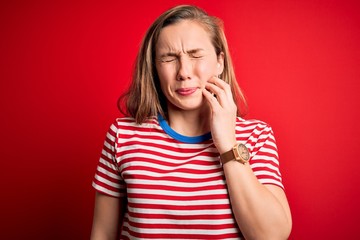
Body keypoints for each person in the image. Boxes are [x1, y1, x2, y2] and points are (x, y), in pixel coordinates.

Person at [91, 4, 292, 240]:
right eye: (168, 58)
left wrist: (227, 143)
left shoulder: (256, 136)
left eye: (196, 55)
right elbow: (102, 233)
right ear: (155, 68)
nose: (184, 72)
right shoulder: (122, 135)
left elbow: (272, 236)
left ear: (220, 61)